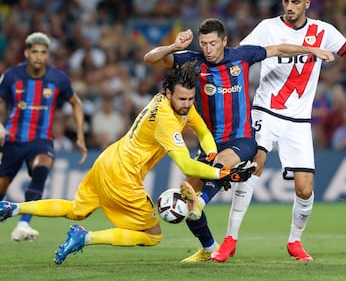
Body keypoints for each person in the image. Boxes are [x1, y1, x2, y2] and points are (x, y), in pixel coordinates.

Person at [0, 61, 255, 265]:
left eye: (190, 99)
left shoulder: (174, 103)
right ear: (168, 94)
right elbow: (187, 167)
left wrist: (211, 156)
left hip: (108, 160)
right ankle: (85, 237)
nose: (187, 105)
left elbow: (202, 131)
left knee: (77, 208)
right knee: (153, 237)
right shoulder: (166, 120)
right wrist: (221, 172)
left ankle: (14, 208)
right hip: (123, 175)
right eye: (182, 100)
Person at [228, 0, 346, 261]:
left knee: (305, 188)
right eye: (286, 1)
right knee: (253, 165)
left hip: (298, 121)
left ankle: (294, 242)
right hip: (265, 110)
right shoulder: (267, 28)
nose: (289, 7)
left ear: (307, 3)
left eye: (295, 2)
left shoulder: (324, 31)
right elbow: (240, 55)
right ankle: (230, 239)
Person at [143, 18, 334, 262]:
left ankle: (202, 200)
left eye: (213, 43)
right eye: (204, 44)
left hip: (241, 140)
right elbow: (150, 58)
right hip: (210, 145)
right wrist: (173, 47)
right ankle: (209, 248)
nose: (208, 49)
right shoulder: (193, 60)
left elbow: (280, 49)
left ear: (224, 41)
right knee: (189, 201)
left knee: (204, 187)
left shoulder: (242, 56)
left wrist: (312, 50)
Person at [0, 32, 88, 242]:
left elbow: (76, 103)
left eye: (43, 52)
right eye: (35, 52)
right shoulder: (12, 76)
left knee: (42, 168)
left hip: (41, 139)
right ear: (27, 53)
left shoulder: (58, 78)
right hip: (13, 139)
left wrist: (80, 136)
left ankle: (23, 225)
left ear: (48, 55)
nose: (39, 56)